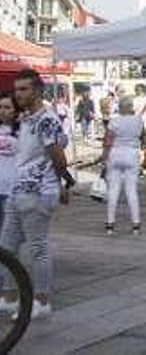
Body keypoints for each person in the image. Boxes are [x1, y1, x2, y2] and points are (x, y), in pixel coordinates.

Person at [0, 69, 74, 319]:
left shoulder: (46, 119)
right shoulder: (28, 118)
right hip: (18, 188)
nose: (18, 93)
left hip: (38, 191)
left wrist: (65, 182)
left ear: (38, 90)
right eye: (17, 89)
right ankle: (9, 298)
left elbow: (56, 155)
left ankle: (42, 301)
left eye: (24, 89)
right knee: (6, 246)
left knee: (37, 247)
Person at [102, 96, 144, 236]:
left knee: (113, 191)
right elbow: (142, 136)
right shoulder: (138, 120)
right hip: (131, 154)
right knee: (131, 190)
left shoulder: (114, 121)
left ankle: (110, 224)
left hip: (115, 153)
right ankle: (136, 224)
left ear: (119, 107)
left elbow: (108, 141)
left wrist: (104, 158)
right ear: (131, 106)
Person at [0, 93, 19, 233]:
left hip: (12, 190)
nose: (2, 111)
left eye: (7, 107)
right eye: (0, 107)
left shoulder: (24, 131)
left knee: (8, 233)